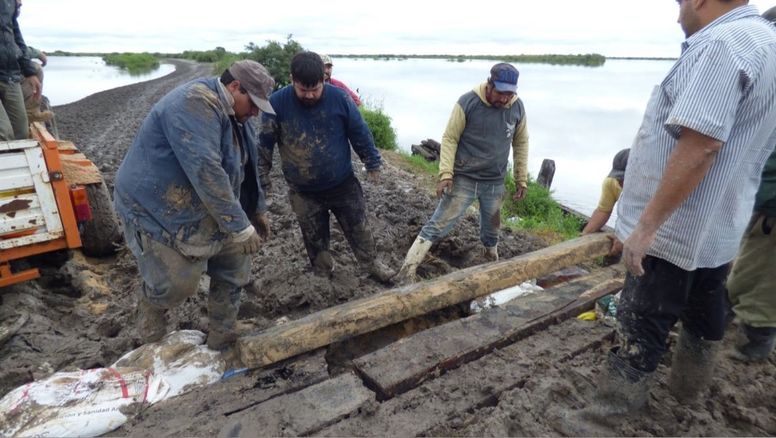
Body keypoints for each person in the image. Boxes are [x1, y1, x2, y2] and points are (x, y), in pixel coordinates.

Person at [565, 1, 776, 432]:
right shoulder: (767, 43)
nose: (678, 11)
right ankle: (688, 392)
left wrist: (645, 227)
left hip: (676, 230)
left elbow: (700, 145)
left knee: (641, 323)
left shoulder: (721, 44)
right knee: (705, 311)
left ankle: (604, 420)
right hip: (720, 224)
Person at [113, 60, 275, 350]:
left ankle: (222, 335)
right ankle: (151, 307)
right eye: (253, 103)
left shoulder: (240, 117)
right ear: (235, 86)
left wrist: (257, 210)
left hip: (207, 202)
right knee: (175, 285)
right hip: (157, 207)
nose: (254, 112)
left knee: (236, 264)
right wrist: (239, 225)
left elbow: (249, 168)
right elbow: (205, 169)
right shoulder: (194, 103)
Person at [258, 51, 393, 282]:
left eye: (315, 89)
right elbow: (263, 145)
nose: (309, 95)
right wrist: (263, 179)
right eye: (303, 90)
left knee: (359, 227)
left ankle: (371, 264)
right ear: (292, 79)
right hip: (303, 191)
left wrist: (372, 161)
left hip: (342, 183)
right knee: (314, 237)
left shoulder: (340, 98)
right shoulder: (276, 104)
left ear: (324, 79)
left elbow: (359, 131)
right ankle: (322, 272)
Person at [395, 62, 529, 283]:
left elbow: (521, 142)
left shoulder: (517, 107)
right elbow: (450, 138)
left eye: (510, 94)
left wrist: (521, 178)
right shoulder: (468, 102)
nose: (504, 99)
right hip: (464, 179)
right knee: (438, 224)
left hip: (494, 183)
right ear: (490, 83)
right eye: (500, 92)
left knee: (492, 228)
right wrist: (446, 173)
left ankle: (490, 262)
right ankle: (407, 271)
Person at [726, 5, 776, 363]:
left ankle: (755, 340)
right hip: (758, 195)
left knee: (757, 277)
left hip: (770, 202)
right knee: (746, 266)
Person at [1, 0, 41, 140]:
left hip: (9, 75)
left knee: (21, 132)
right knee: (4, 133)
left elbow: (15, 35)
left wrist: (29, 71)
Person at [581, 148, 629, 234]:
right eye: (619, 178)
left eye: (624, 178)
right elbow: (603, 210)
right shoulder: (611, 182)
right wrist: (584, 235)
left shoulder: (652, 188)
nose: (620, 183)